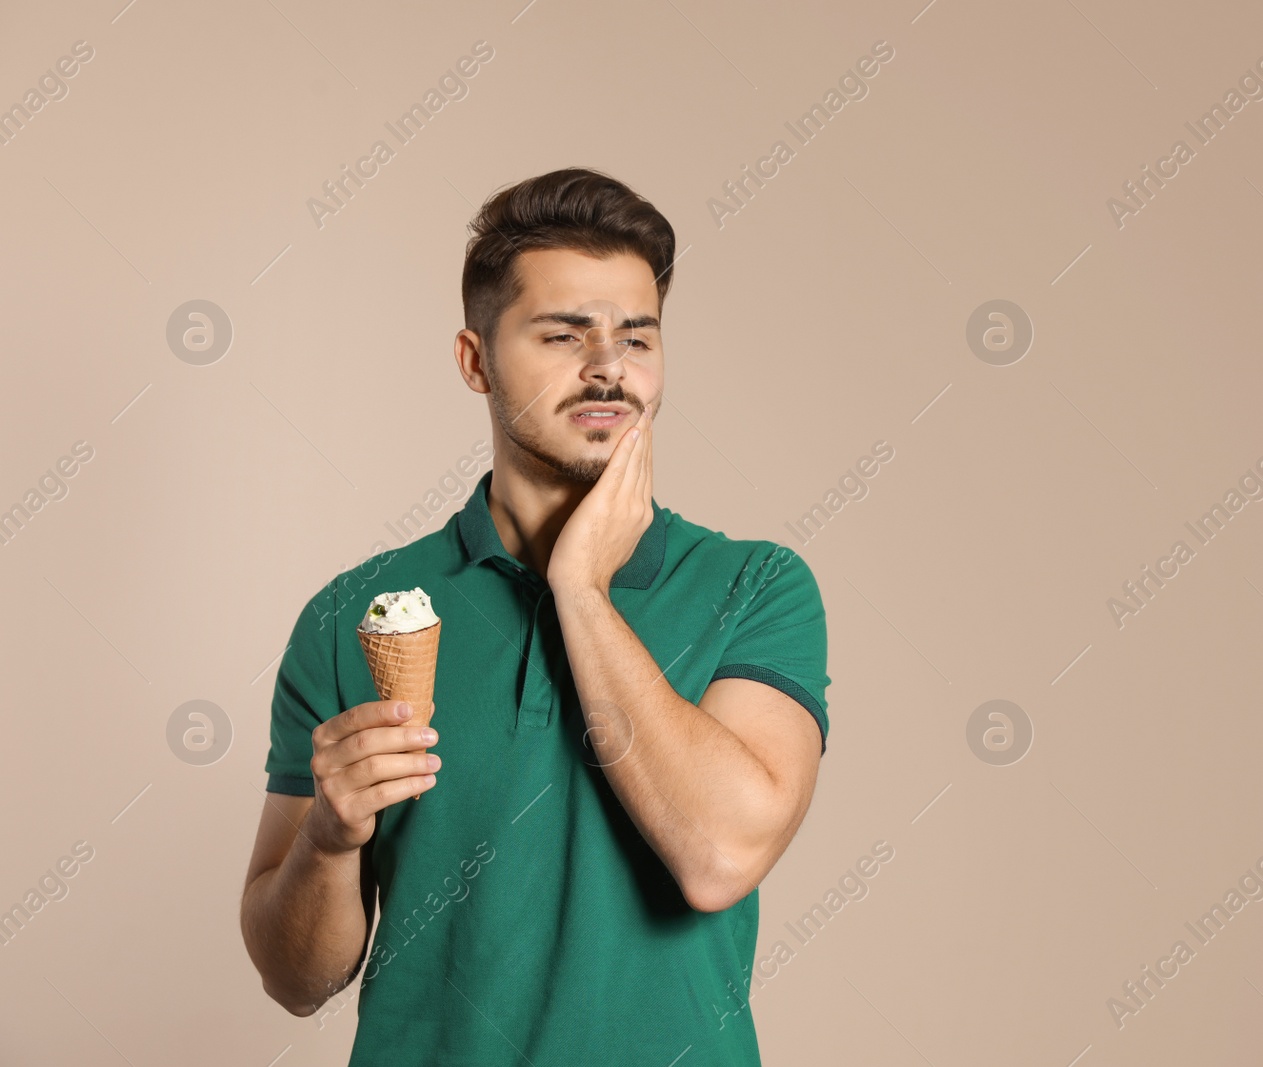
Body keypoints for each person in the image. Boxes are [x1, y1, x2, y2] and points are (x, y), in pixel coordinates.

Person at [239, 167, 830, 1065]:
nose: (607, 366)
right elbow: (294, 980)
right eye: (563, 334)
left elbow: (718, 855)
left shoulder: (755, 585)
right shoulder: (352, 615)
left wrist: (581, 587)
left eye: (637, 337)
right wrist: (328, 837)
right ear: (476, 361)